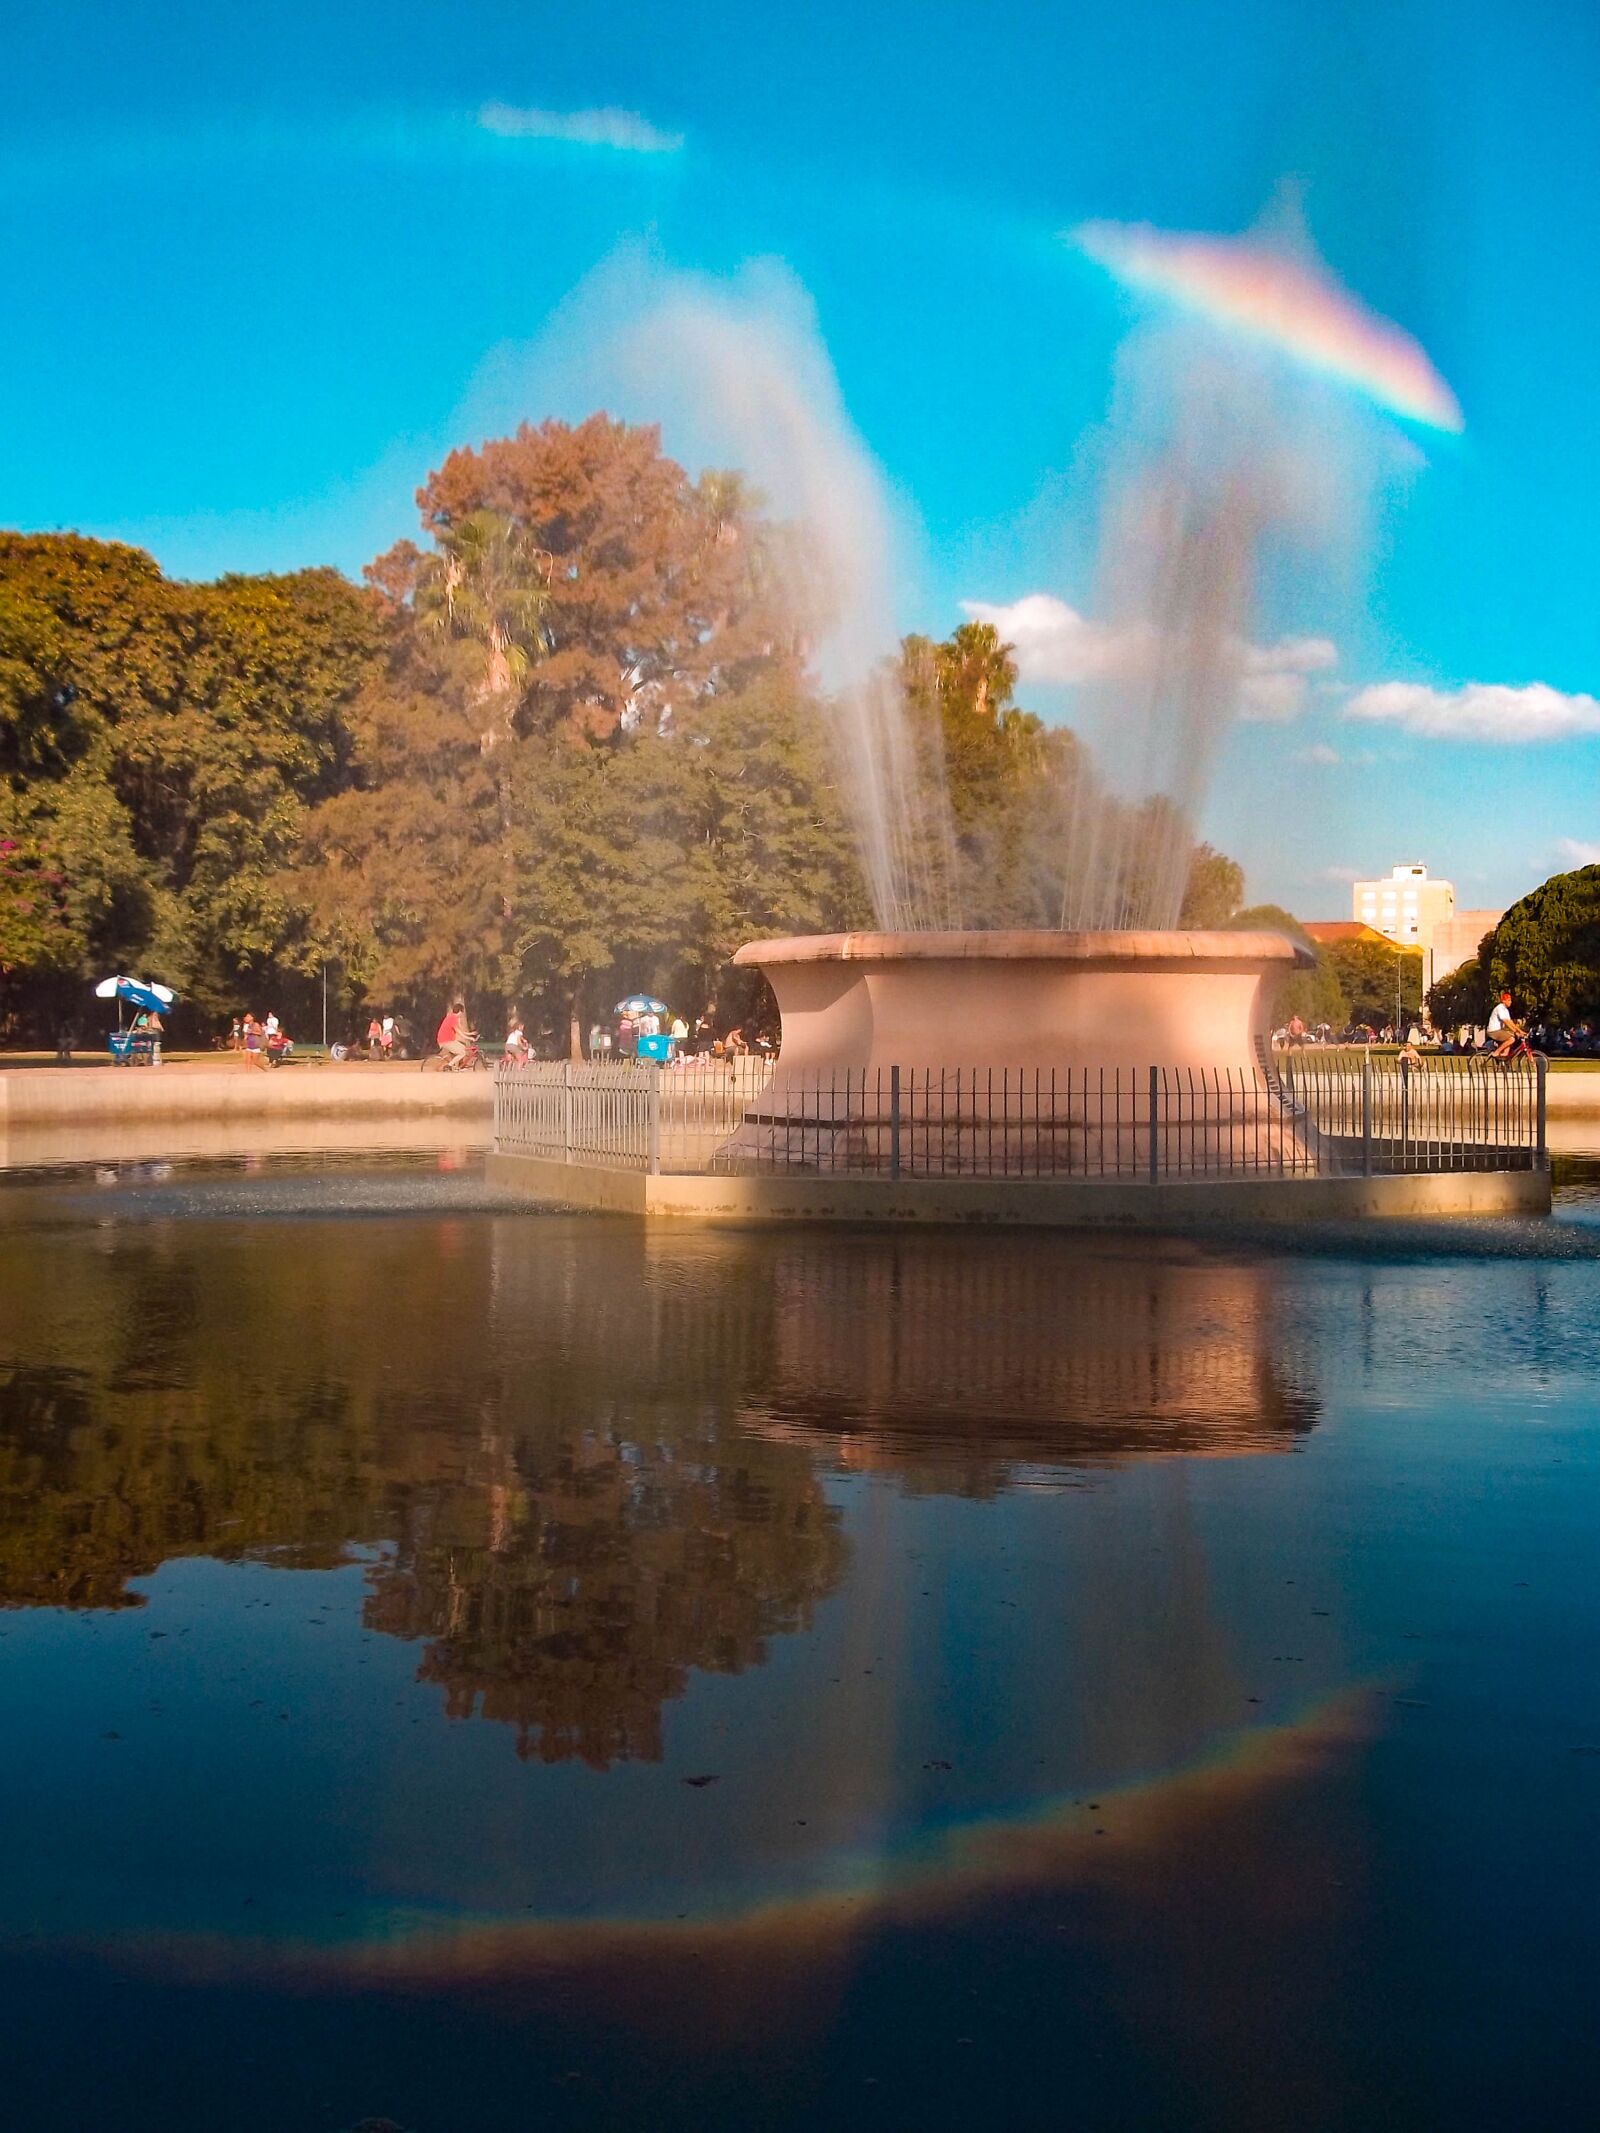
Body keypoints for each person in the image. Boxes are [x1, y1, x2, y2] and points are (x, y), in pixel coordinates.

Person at [1488, 990, 1525, 1058]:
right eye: (1508, 1000)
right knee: (1511, 1039)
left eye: (1510, 1000)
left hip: (1498, 1030)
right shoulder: (1500, 1008)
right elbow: (1506, 1022)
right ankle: (1496, 1053)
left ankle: (1503, 1057)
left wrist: (1520, 1031)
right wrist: (1515, 1031)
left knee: (1510, 1036)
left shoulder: (1505, 1010)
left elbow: (1510, 1022)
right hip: (1493, 1031)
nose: (1510, 1002)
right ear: (1503, 1001)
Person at [436, 998, 470, 1068]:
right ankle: (450, 1065)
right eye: (462, 1012)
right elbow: (458, 1031)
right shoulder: (453, 1018)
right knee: (462, 1053)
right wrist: (468, 1037)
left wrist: (470, 1034)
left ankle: (456, 1066)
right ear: (460, 1011)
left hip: (449, 1040)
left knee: (463, 1048)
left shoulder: (452, 1017)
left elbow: (460, 1030)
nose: (462, 1014)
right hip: (446, 1041)